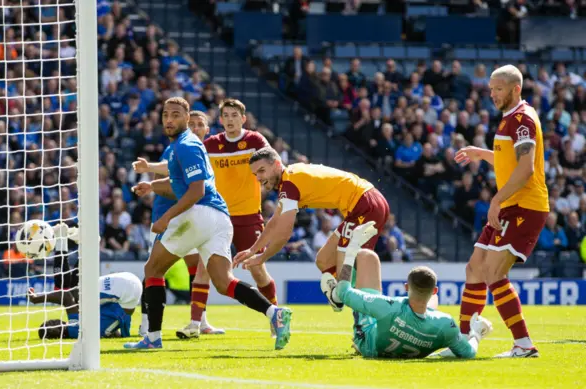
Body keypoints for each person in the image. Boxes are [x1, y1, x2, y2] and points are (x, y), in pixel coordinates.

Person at [125, 97, 291, 350]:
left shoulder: (186, 145)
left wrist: (165, 218)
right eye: (166, 115)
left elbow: (196, 191)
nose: (169, 119)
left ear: (187, 118)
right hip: (220, 218)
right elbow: (179, 184)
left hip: (201, 213)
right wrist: (152, 186)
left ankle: (152, 337)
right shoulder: (196, 146)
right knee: (224, 282)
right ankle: (274, 313)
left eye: (176, 115)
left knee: (152, 270)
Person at [452, 64, 548, 358]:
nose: (492, 94)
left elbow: (525, 169)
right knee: (474, 268)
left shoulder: (522, 120)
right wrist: (481, 154)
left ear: (515, 89)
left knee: (494, 272)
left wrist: (495, 200)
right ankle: (464, 339)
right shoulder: (509, 118)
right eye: (491, 89)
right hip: (510, 204)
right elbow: (509, 162)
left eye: (499, 89)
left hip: (525, 205)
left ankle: (523, 344)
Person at [233, 147, 390, 313]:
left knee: (356, 265)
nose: (258, 178)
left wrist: (262, 257)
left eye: (262, 171)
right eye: (255, 174)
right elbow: (275, 222)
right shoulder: (289, 179)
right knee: (323, 260)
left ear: (277, 164)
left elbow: (284, 233)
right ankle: (344, 297)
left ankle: (370, 320)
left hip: (365, 204)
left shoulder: (289, 185)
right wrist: (253, 250)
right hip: (363, 203)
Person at [319, 222, 492, 359]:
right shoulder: (446, 324)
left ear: (406, 288)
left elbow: (344, 291)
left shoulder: (389, 307)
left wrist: (352, 248)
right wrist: (476, 332)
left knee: (367, 256)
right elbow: (469, 353)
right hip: (418, 331)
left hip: (368, 344)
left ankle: (334, 299)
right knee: (430, 308)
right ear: (434, 290)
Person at [133, 110, 224, 338]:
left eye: (199, 124)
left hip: (192, 216)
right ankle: (145, 322)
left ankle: (200, 319)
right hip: (169, 215)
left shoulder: (198, 150)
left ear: (207, 129)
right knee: (155, 267)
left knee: (199, 267)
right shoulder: (179, 146)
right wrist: (150, 168)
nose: (194, 127)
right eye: (190, 123)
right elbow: (168, 170)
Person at [32, 271, 143, 340]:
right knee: (83, 300)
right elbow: (66, 296)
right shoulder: (74, 325)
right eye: (50, 322)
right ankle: (146, 327)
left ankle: (145, 327)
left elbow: (66, 296)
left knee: (108, 326)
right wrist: (37, 298)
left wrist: (37, 299)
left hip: (129, 291)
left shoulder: (75, 329)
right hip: (124, 278)